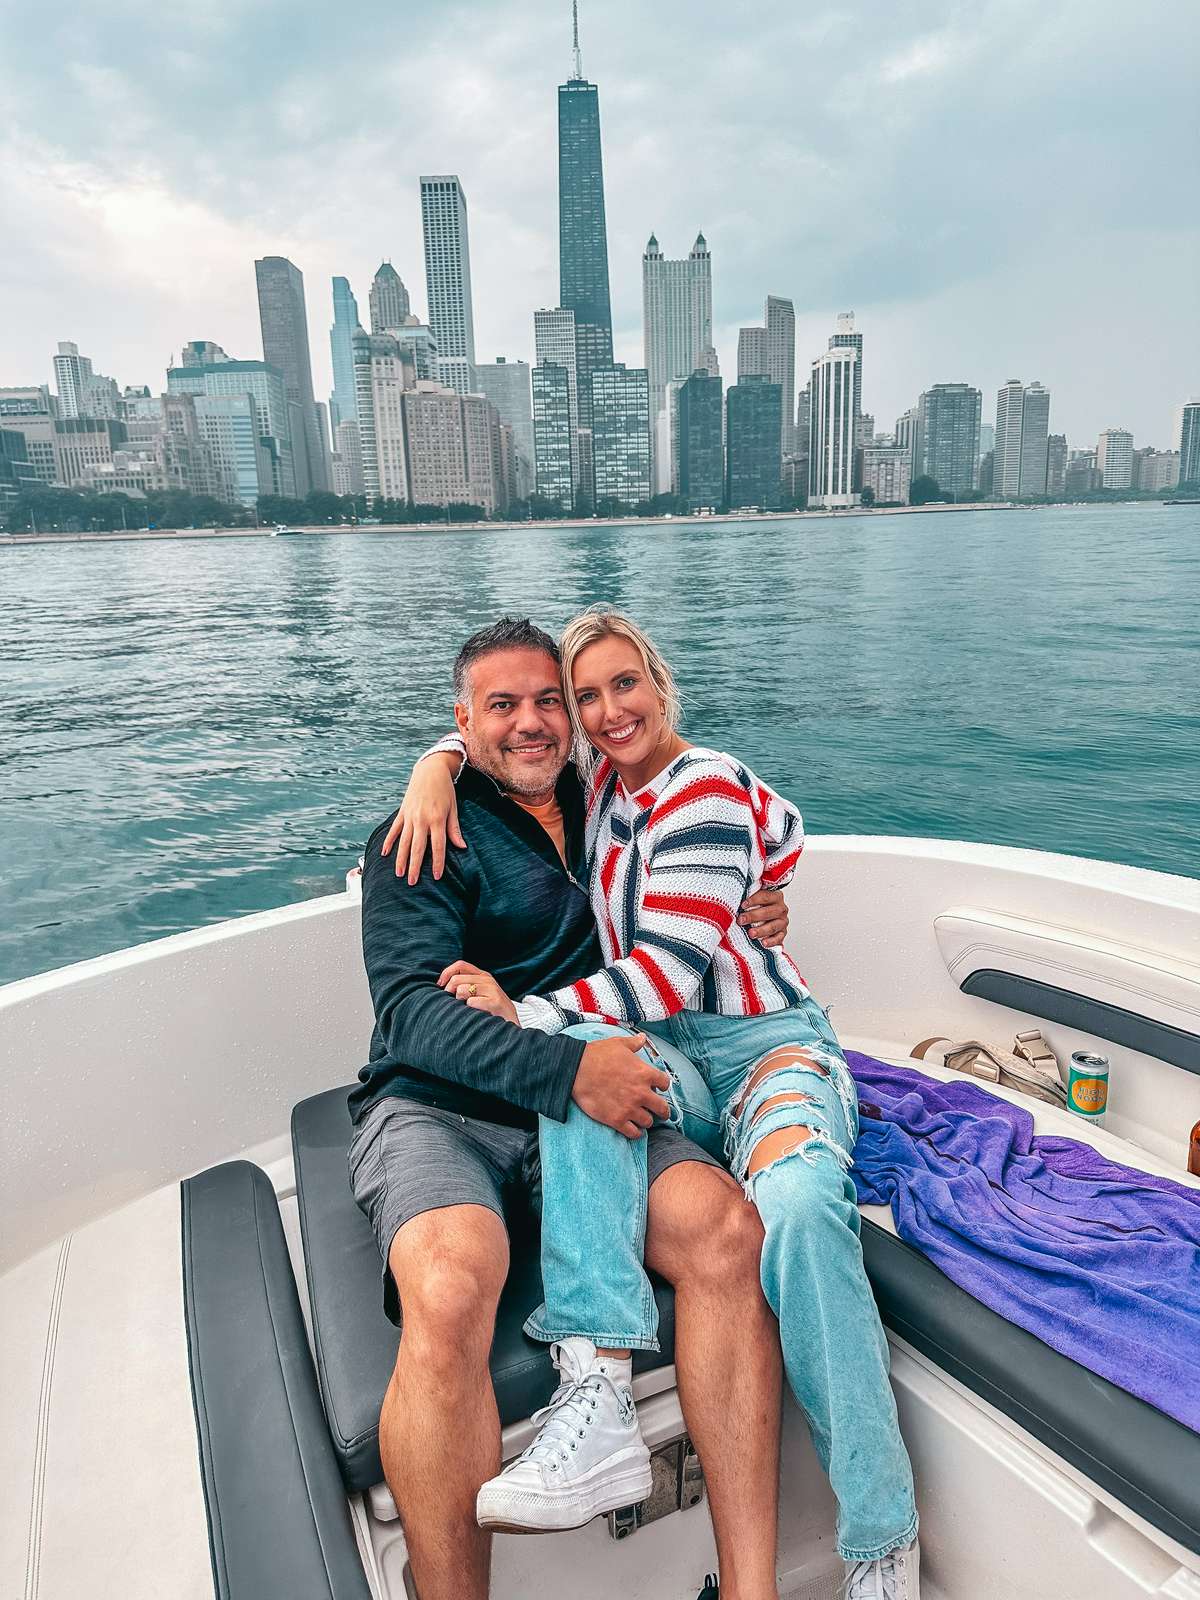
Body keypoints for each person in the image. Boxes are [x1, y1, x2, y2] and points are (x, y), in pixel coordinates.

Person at [389, 606, 921, 1600]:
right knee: (591, 1058)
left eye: (615, 684)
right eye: (583, 695)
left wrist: (525, 1008)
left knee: (794, 1213)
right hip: (675, 1055)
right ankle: (597, 1379)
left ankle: (879, 1540)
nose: (598, 709)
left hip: (757, 1044)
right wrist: (435, 763)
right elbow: (788, 820)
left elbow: (671, 971)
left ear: (658, 680)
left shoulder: (701, 784)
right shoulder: (602, 790)